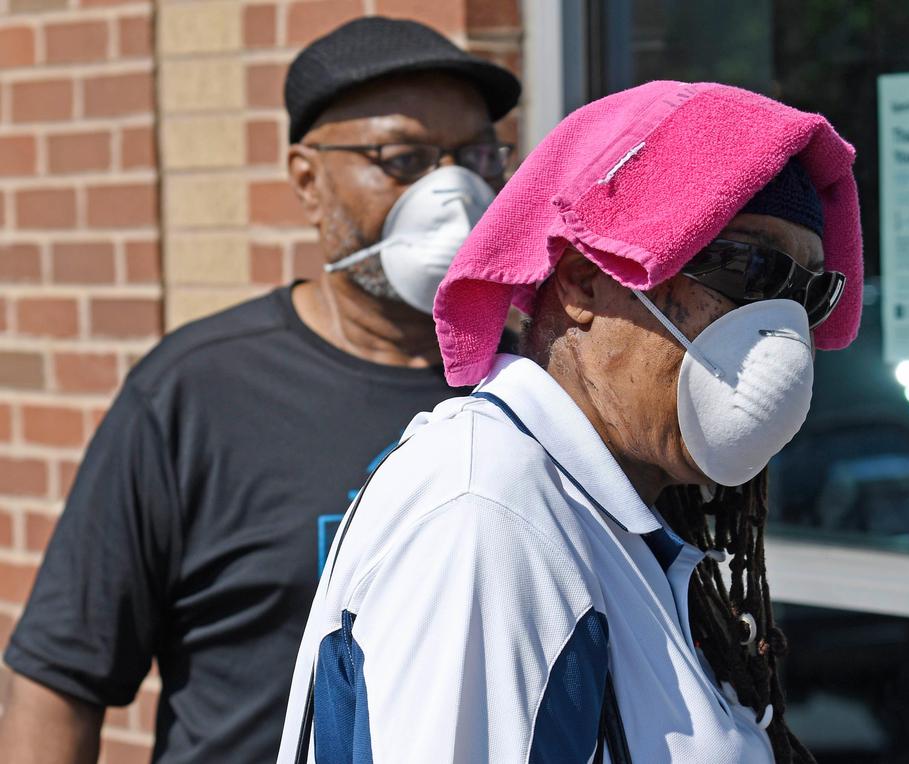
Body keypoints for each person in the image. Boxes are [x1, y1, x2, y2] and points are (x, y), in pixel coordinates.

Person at [277, 80, 862, 763]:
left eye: (808, 291)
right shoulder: (486, 517)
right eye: (746, 265)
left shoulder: (607, 514)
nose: (781, 327)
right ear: (584, 280)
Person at [0, 17, 520, 764]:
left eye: (475, 156)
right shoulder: (196, 392)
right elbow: (58, 682)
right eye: (403, 159)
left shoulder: (533, 384)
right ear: (307, 180)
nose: (454, 192)